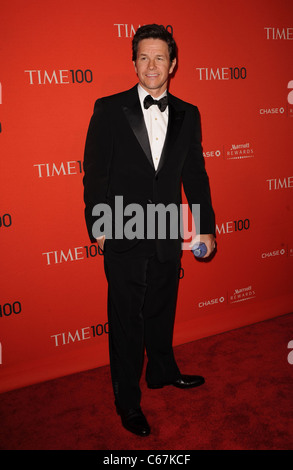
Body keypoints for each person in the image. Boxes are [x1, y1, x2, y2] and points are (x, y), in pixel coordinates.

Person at [83, 24, 216, 437]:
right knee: (126, 321)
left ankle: (161, 371)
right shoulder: (109, 108)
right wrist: (99, 226)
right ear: (134, 62)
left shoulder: (188, 113)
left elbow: (195, 175)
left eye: (160, 57)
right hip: (122, 229)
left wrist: (205, 228)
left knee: (161, 309)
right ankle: (127, 401)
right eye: (143, 57)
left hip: (167, 232)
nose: (151, 65)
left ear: (173, 64)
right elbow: (95, 174)